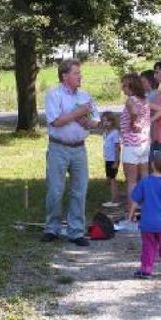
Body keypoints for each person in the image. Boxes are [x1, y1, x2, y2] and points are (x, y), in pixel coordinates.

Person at [42, 59, 99, 247]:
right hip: (58, 147)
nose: (80, 76)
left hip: (79, 148)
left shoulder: (85, 95)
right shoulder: (54, 94)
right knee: (55, 190)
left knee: (79, 191)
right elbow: (56, 121)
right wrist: (79, 113)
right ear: (65, 76)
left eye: (79, 73)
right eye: (76, 73)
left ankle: (76, 231)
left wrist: (84, 119)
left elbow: (95, 122)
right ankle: (52, 228)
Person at [130, 155, 161, 279]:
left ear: (152, 165)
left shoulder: (145, 182)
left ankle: (146, 270)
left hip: (147, 224)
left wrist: (131, 214)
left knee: (148, 247)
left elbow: (135, 201)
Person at [118, 71, 152, 213]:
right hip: (144, 143)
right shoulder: (144, 100)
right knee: (144, 177)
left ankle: (131, 213)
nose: (122, 89)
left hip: (131, 144)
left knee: (131, 181)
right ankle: (147, 208)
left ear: (131, 87)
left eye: (125, 86)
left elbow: (134, 113)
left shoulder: (131, 100)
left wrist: (133, 122)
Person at [100, 111, 121, 206]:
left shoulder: (115, 133)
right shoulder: (105, 133)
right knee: (109, 178)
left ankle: (114, 200)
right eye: (104, 121)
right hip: (108, 159)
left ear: (113, 121)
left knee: (112, 179)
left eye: (108, 121)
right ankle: (115, 196)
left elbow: (117, 147)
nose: (106, 123)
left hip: (113, 160)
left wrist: (116, 161)